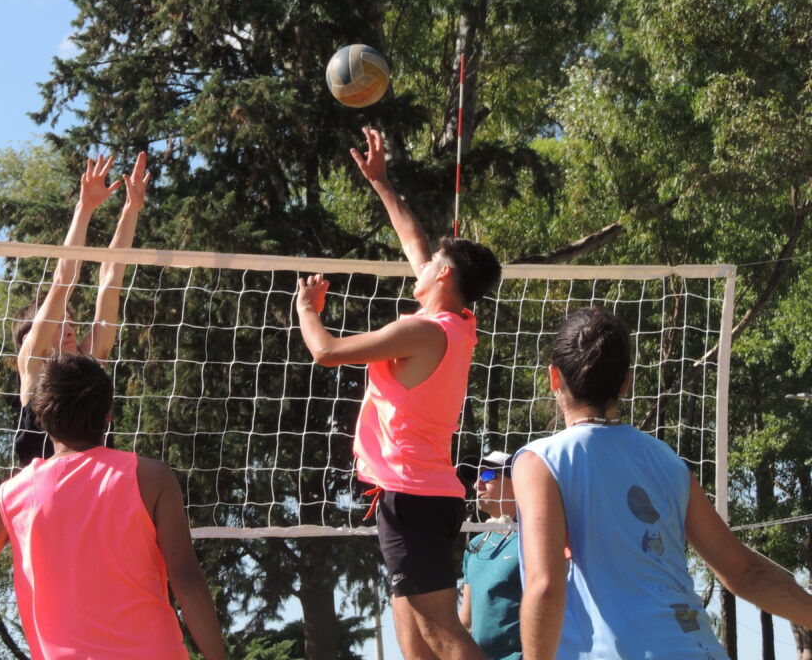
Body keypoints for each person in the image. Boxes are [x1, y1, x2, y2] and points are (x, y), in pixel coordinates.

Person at [296, 127, 501, 660]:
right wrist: (381, 182)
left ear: (444, 274)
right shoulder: (459, 324)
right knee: (415, 644)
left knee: (440, 634)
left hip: (412, 495)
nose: (421, 262)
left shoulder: (423, 331)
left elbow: (326, 351)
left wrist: (306, 310)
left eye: (432, 262)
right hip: (419, 495)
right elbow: (414, 241)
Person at [513, 307, 812, 660]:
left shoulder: (540, 461)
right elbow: (747, 573)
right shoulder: (667, 461)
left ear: (554, 377)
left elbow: (545, 587)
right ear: (626, 381)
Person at [0, 354, 227, 660]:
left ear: (40, 415)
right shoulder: (152, 478)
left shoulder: (10, 498)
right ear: (107, 415)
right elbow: (187, 580)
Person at [11, 151, 150, 466]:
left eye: (71, 321)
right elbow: (62, 282)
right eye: (59, 322)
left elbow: (111, 278)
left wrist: (131, 209)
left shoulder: (89, 364)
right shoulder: (34, 364)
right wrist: (84, 208)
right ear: (31, 336)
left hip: (97, 486)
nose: (70, 328)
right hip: (46, 489)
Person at [460, 451, 522, 660]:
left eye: (487, 475)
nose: (477, 485)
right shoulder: (474, 546)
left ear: (518, 481)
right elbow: (466, 623)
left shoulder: (535, 537)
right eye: (476, 478)